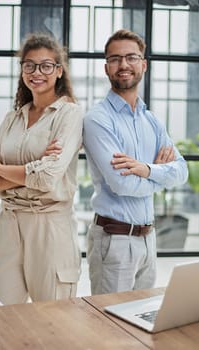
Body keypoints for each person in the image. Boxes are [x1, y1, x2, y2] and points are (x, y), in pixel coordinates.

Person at [0, 33, 83, 304]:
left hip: (49, 227)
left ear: (59, 71)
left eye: (46, 65)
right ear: (22, 70)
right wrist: (27, 171)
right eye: (29, 65)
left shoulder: (70, 114)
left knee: (53, 321)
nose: (37, 72)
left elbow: (47, 177)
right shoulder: (12, 118)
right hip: (8, 225)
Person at [83, 29, 188, 295]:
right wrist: (161, 176)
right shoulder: (98, 119)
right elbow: (122, 184)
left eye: (131, 57)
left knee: (139, 323)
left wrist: (146, 169)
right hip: (114, 240)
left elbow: (183, 171)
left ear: (143, 65)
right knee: (109, 326)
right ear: (106, 68)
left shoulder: (151, 120)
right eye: (116, 59)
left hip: (148, 238)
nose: (124, 65)